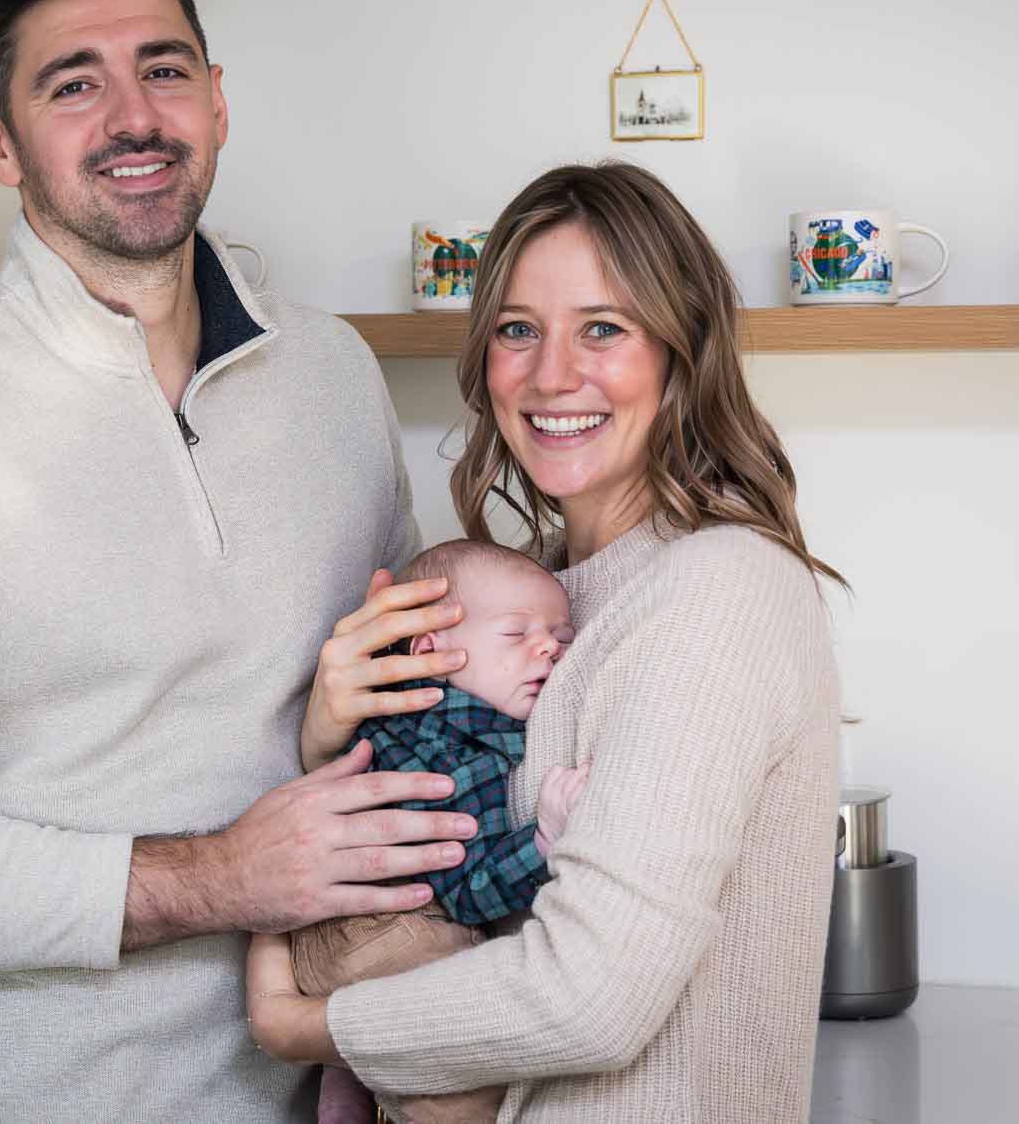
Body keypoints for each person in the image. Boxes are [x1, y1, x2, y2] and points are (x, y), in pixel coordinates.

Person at [0, 0, 482, 1122]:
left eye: (163, 68)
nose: (134, 116)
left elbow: (404, 704)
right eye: (72, 85)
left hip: (343, 1084)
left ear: (215, 99)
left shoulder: (332, 374)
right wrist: (220, 877)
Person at [249, 161, 846, 1123]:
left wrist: (303, 1025)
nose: (552, 374)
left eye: (602, 329)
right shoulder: (525, 589)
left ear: (680, 351)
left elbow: (592, 998)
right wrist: (329, 736)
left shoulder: (719, 586)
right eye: (518, 330)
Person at [289, 539, 589, 1124]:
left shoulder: (393, 718)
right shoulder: (459, 748)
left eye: (563, 637)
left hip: (323, 943)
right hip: (388, 934)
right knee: (465, 1096)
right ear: (430, 649)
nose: (549, 646)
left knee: (356, 1079)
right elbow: (468, 892)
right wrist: (544, 841)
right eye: (514, 634)